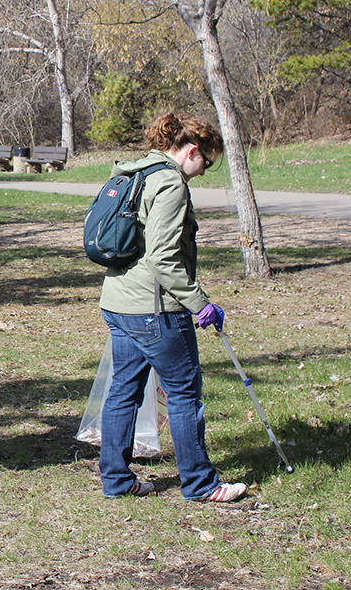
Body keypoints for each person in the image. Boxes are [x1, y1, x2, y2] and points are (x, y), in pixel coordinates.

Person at [98, 112, 247, 502]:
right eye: (207, 163)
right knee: (184, 393)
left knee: (123, 391)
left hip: (118, 302)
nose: (204, 171)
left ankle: (116, 479)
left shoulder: (134, 172)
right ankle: (200, 484)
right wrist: (200, 304)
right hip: (154, 309)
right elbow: (164, 257)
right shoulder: (169, 183)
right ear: (193, 151)